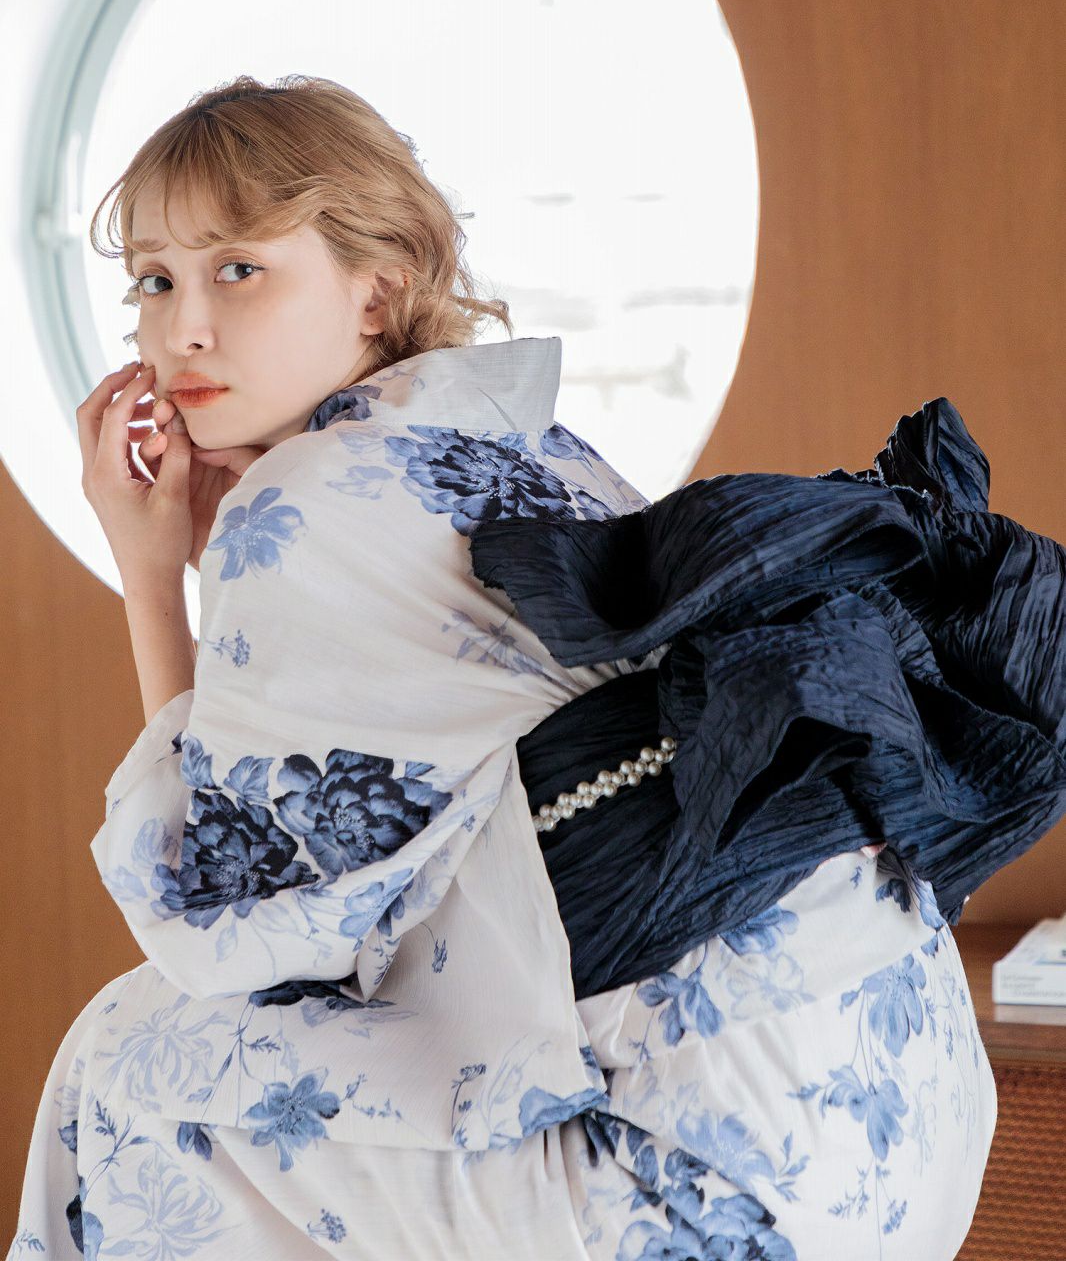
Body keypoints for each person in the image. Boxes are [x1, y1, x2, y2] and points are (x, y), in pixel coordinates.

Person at [7, 72, 1064, 1261]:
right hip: (899, 1127)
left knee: (126, 1061)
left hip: (707, 1184)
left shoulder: (302, 503)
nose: (181, 329)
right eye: (153, 280)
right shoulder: (520, 443)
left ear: (376, 288)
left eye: (238, 268)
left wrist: (153, 576)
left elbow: (223, 924)